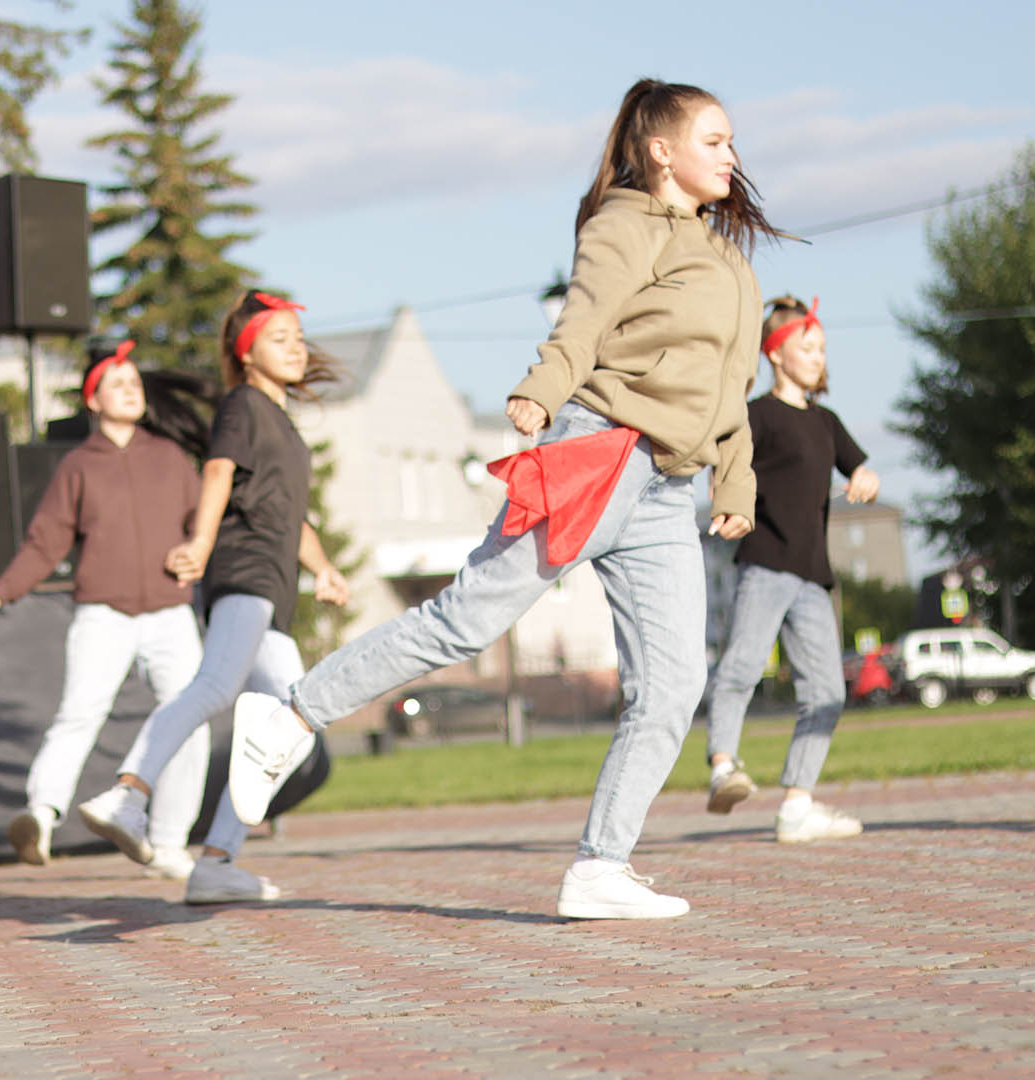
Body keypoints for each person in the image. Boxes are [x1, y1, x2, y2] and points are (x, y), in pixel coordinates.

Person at [223, 78, 779, 920]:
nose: (731, 155)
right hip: (600, 453)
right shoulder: (624, 224)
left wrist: (734, 478)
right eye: (715, 140)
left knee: (673, 682)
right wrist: (542, 390)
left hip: (668, 490)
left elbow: (734, 382)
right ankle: (291, 717)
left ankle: (600, 867)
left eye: (732, 142)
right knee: (468, 618)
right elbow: (583, 318)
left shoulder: (731, 262)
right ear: (662, 150)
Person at [75, 290, 351, 905]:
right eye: (279, 340)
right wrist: (199, 545)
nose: (296, 350)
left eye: (299, 340)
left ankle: (218, 859)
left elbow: (288, 515)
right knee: (216, 689)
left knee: (294, 724)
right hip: (242, 570)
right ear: (246, 354)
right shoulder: (242, 405)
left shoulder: (275, 418)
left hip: (273, 586)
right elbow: (219, 474)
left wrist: (324, 569)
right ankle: (129, 792)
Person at [0, 342, 209, 881]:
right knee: (79, 715)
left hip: (172, 613)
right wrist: (2, 592)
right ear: (93, 398)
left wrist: (199, 551)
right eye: (117, 382)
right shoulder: (78, 466)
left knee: (189, 719)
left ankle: (169, 843)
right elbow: (44, 542)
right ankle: (41, 815)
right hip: (103, 614)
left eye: (135, 382)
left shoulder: (170, 456)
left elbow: (204, 523)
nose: (132, 389)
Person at [704, 296, 877, 842]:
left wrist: (866, 480)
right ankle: (722, 767)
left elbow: (861, 468)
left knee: (827, 690)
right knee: (742, 667)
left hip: (812, 576)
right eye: (808, 347)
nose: (818, 357)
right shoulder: (757, 415)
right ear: (776, 354)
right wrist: (725, 503)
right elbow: (724, 464)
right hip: (766, 564)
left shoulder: (827, 422)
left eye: (822, 348)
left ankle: (797, 805)